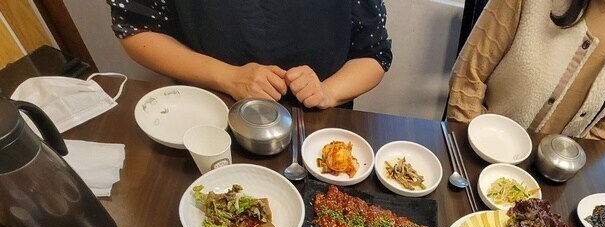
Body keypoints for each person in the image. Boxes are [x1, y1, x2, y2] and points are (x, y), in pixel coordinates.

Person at [447, 0, 605, 141]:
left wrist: (571, 163)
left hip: (559, 177)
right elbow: (468, 79)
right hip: (480, 144)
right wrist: (475, 146)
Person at [107, 1, 393, 108]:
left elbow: (373, 53)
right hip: (209, 111)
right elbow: (136, 27)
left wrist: (327, 92)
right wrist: (229, 77)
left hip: (320, 129)